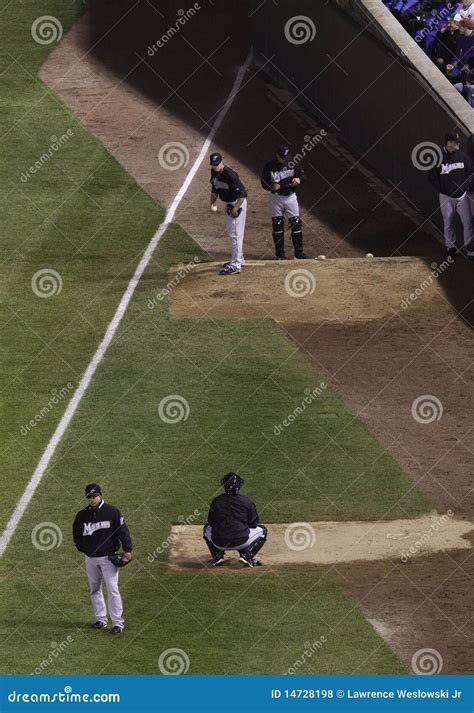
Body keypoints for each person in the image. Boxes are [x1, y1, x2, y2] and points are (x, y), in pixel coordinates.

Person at [73, 483, 133, 634]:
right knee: (94, 589)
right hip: (90, 558)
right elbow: (77, 535)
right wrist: (84, 549)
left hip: (108, 558)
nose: (92, 499)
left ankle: (118, 623)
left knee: (112, 589)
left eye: (94, 496)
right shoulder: (82, 516)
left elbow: (122, 530)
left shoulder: (112, 512)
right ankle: (101, 619)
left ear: (100, 495)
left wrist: (127, 549)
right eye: (90, 497)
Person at [203, 472, 267, 568]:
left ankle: (217, 557)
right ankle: (246, 556)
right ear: (238, 486)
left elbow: (211, 522)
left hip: (219, 543)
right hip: (242, 541)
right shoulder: (246, 501)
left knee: (206, 528)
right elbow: (253, 524)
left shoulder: (216, 501)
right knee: (263, 530)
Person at [429, 131, 474, 259]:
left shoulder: (463, 157)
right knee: (448, 223)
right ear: (449, 143)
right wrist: (443, 189)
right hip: (446, 197)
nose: (458, 144)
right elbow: (432, 178)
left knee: (467, 222)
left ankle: (469, 248)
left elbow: (470, 174)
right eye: (456, 142)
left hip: (462, 196)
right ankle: (450, 248)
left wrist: (464, 187)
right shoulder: (438, 157)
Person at [261, 145, 307, 260]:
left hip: (290, 197)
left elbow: (302, 175)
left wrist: (299, 179)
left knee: (296, 223)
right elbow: (263, 183)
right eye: (283, 157)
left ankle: (298, 253)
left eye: (286, 157)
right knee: (277, 224)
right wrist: (272, 187)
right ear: (277, 156)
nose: (285, 160)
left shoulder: (293, 163)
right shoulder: (269, 166)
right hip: (276, 198)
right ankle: (280, 255)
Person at [209, 153, 248, 275]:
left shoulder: (230, 174)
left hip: (237, 203)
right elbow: (215, 189)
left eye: (217, 164)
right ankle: (239, 259)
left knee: (235, 235)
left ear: (222, 162)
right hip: (229, 205)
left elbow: (243, 194)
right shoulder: (214, 172)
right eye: (213, 165)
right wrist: (212, 203)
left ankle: (236, 265)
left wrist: (236, 208)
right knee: (234, 234)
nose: (215, 167)